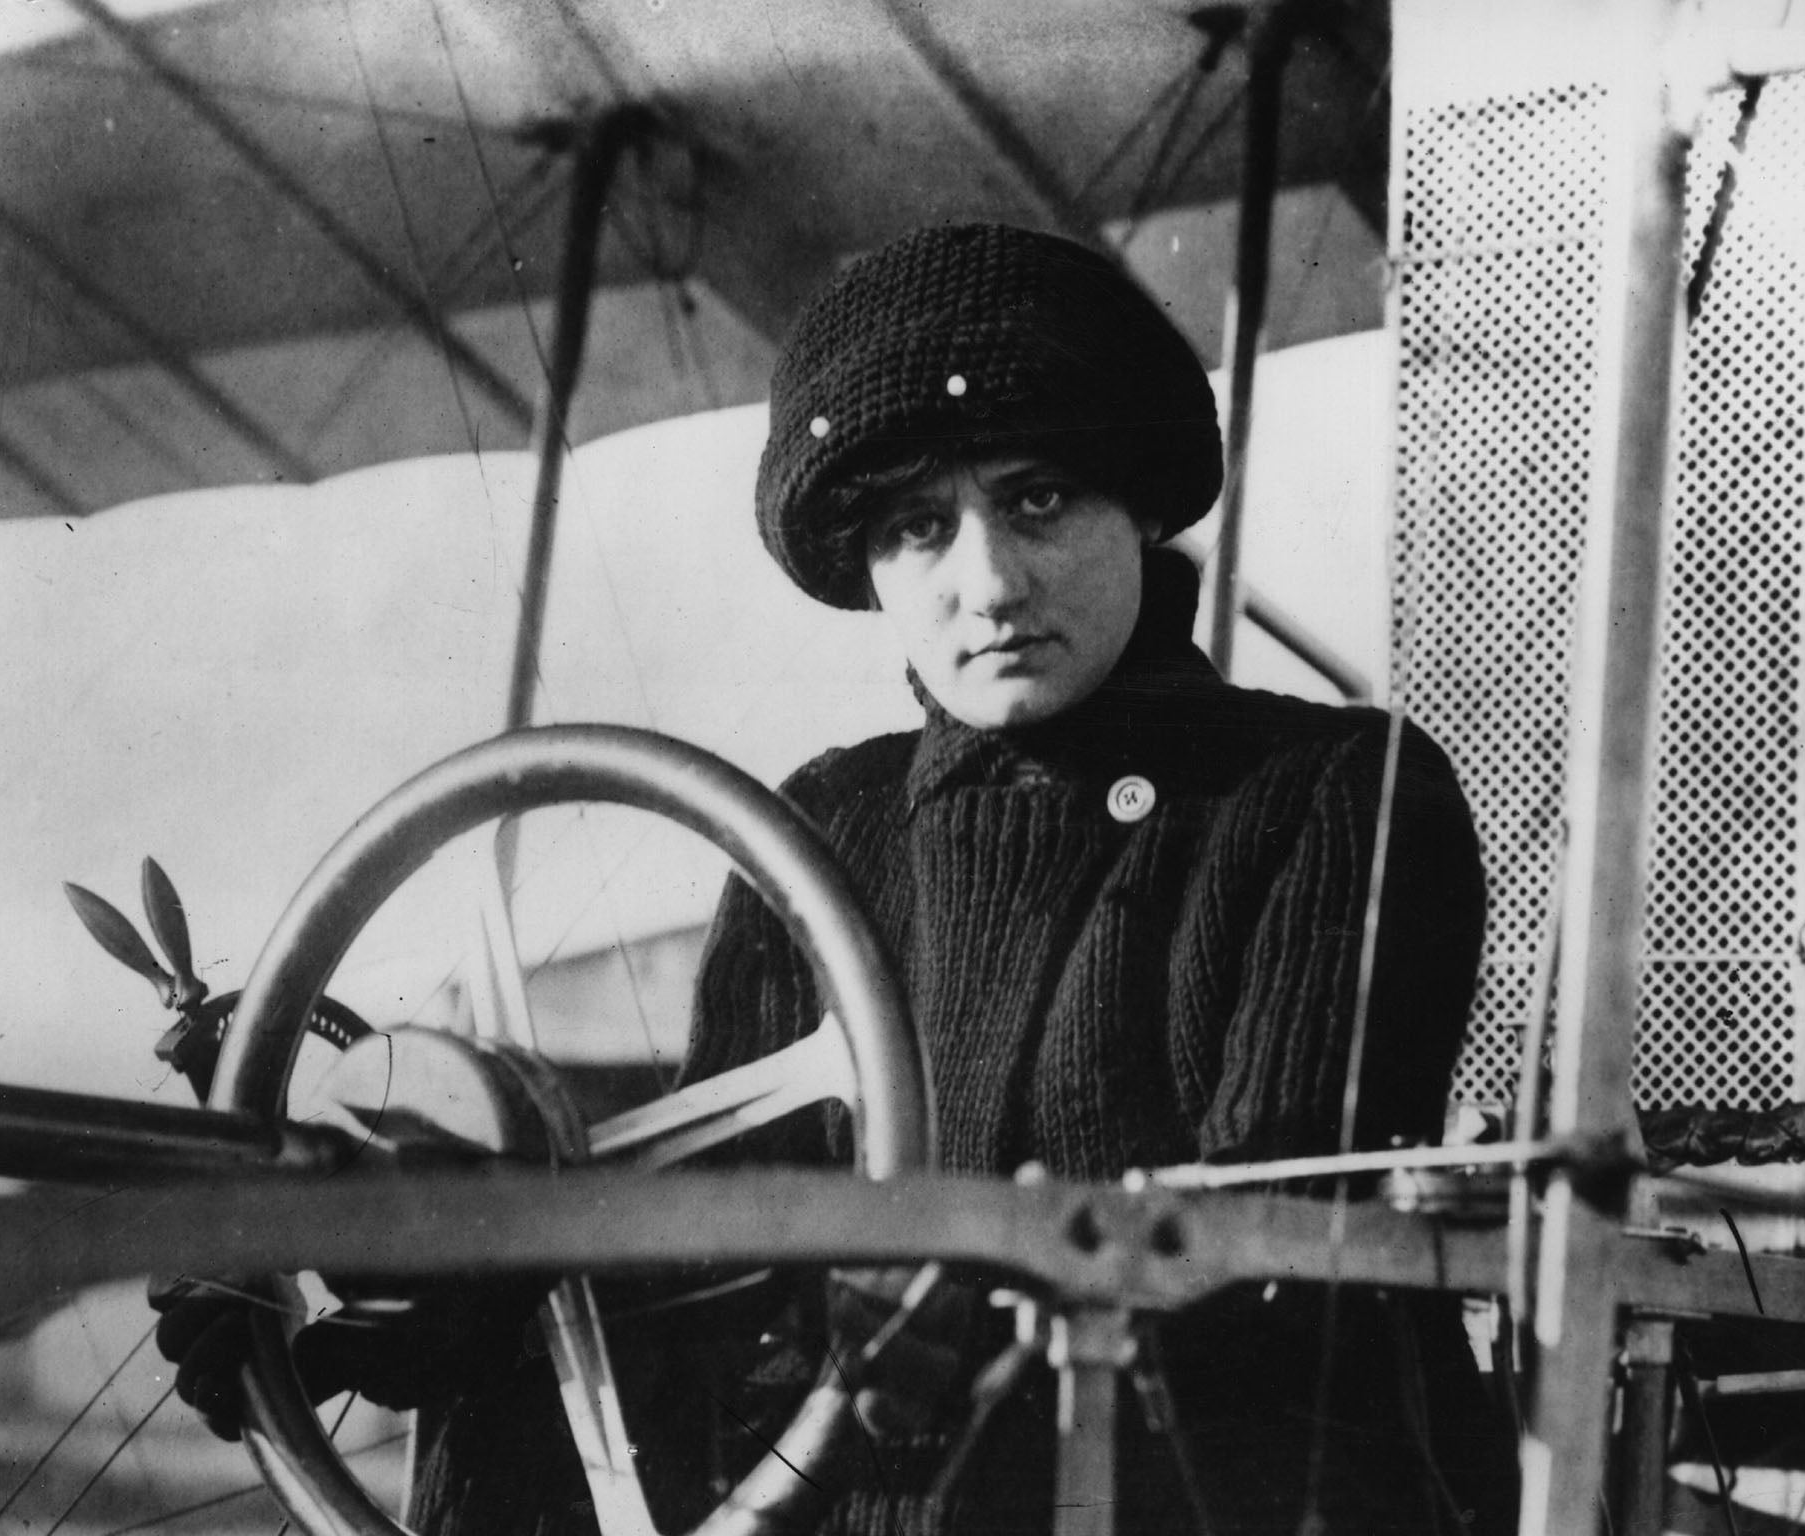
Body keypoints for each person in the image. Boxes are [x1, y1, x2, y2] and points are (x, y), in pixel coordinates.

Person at [157, 221, 1512, 1535]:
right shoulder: (826, 823)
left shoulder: (1337, 793)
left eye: (1037, 497)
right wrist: (417, 1316)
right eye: (921, 526)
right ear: (865, 568)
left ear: (1141, 504)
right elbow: (705, 1259)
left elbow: (1284, 1257)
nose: (988, 582)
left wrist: (969, 1320)